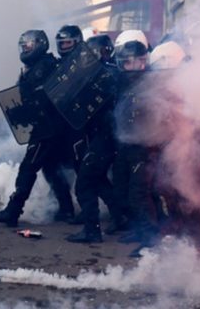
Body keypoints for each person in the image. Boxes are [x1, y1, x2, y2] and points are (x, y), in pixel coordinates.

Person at [0, 30, 75, 227]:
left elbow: (36, 98)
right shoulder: (38, 65)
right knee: (51, 169)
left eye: (28, 45)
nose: (25, 49)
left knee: (28, 168)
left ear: (39, 45)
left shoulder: (43, 67)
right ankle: (67, 210)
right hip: (49, 127)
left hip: (47, 129)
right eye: (23, 46)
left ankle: (13, 211)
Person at [65, 33, 128, 243]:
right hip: (103, 136)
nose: (89, 56)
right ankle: (119, 217)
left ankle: (92, 231)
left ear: (104, 52)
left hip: (107, 137)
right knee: (98, 179)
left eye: (94, 52)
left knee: (84, 183)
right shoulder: (104, 73)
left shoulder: (108, 75)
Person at [110, 30, 166, 257]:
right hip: (128, 143)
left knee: (139, 193)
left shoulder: (151, 84)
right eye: (123, 63)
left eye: (129, 62)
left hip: (144, 145)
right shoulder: (126, 82)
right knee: (125, 190)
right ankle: (137, 230)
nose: (125, 67)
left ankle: (149, 239)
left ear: (142, 62)